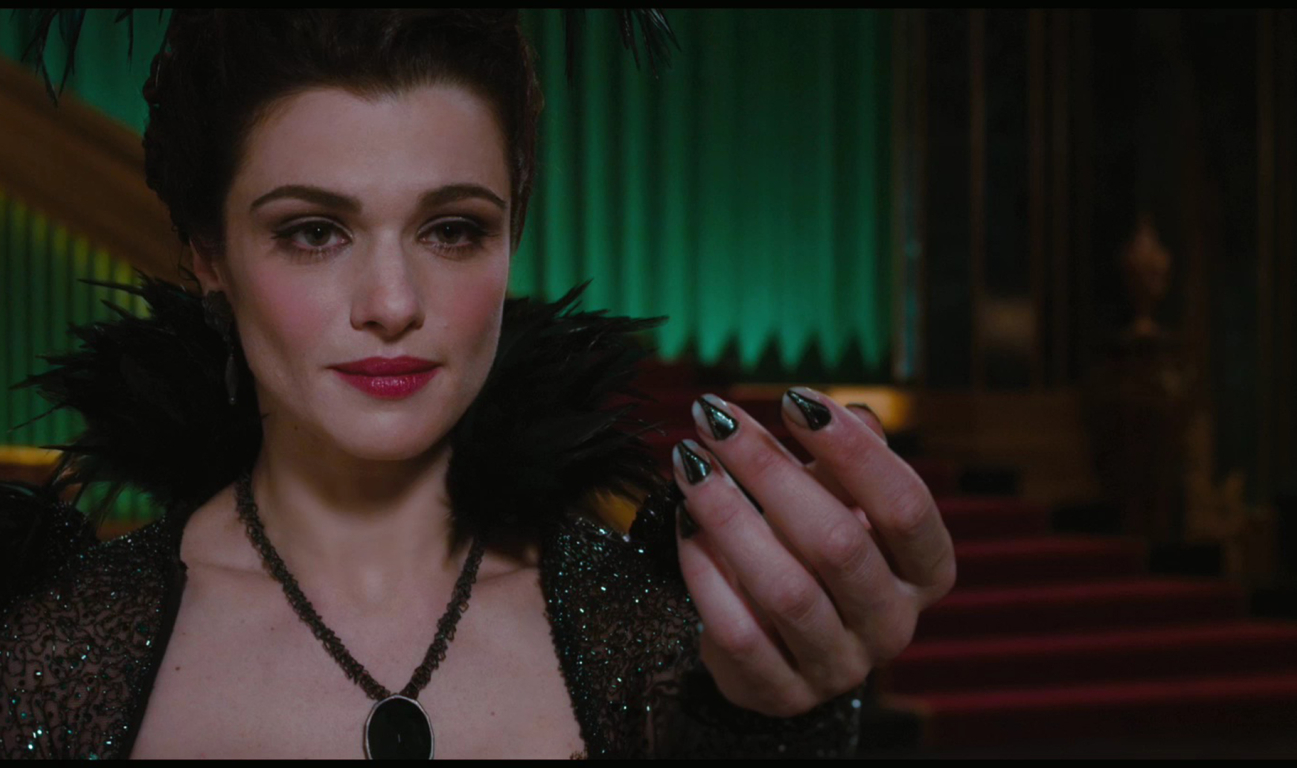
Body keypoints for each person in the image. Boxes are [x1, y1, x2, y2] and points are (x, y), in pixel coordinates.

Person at [0, 9, 956, 759]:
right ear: (211, 257)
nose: (392, 303)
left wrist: (770, 729)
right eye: (313, 232)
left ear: (513, 234)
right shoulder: (58, 644)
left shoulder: (656, 632)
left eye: (453, 229)